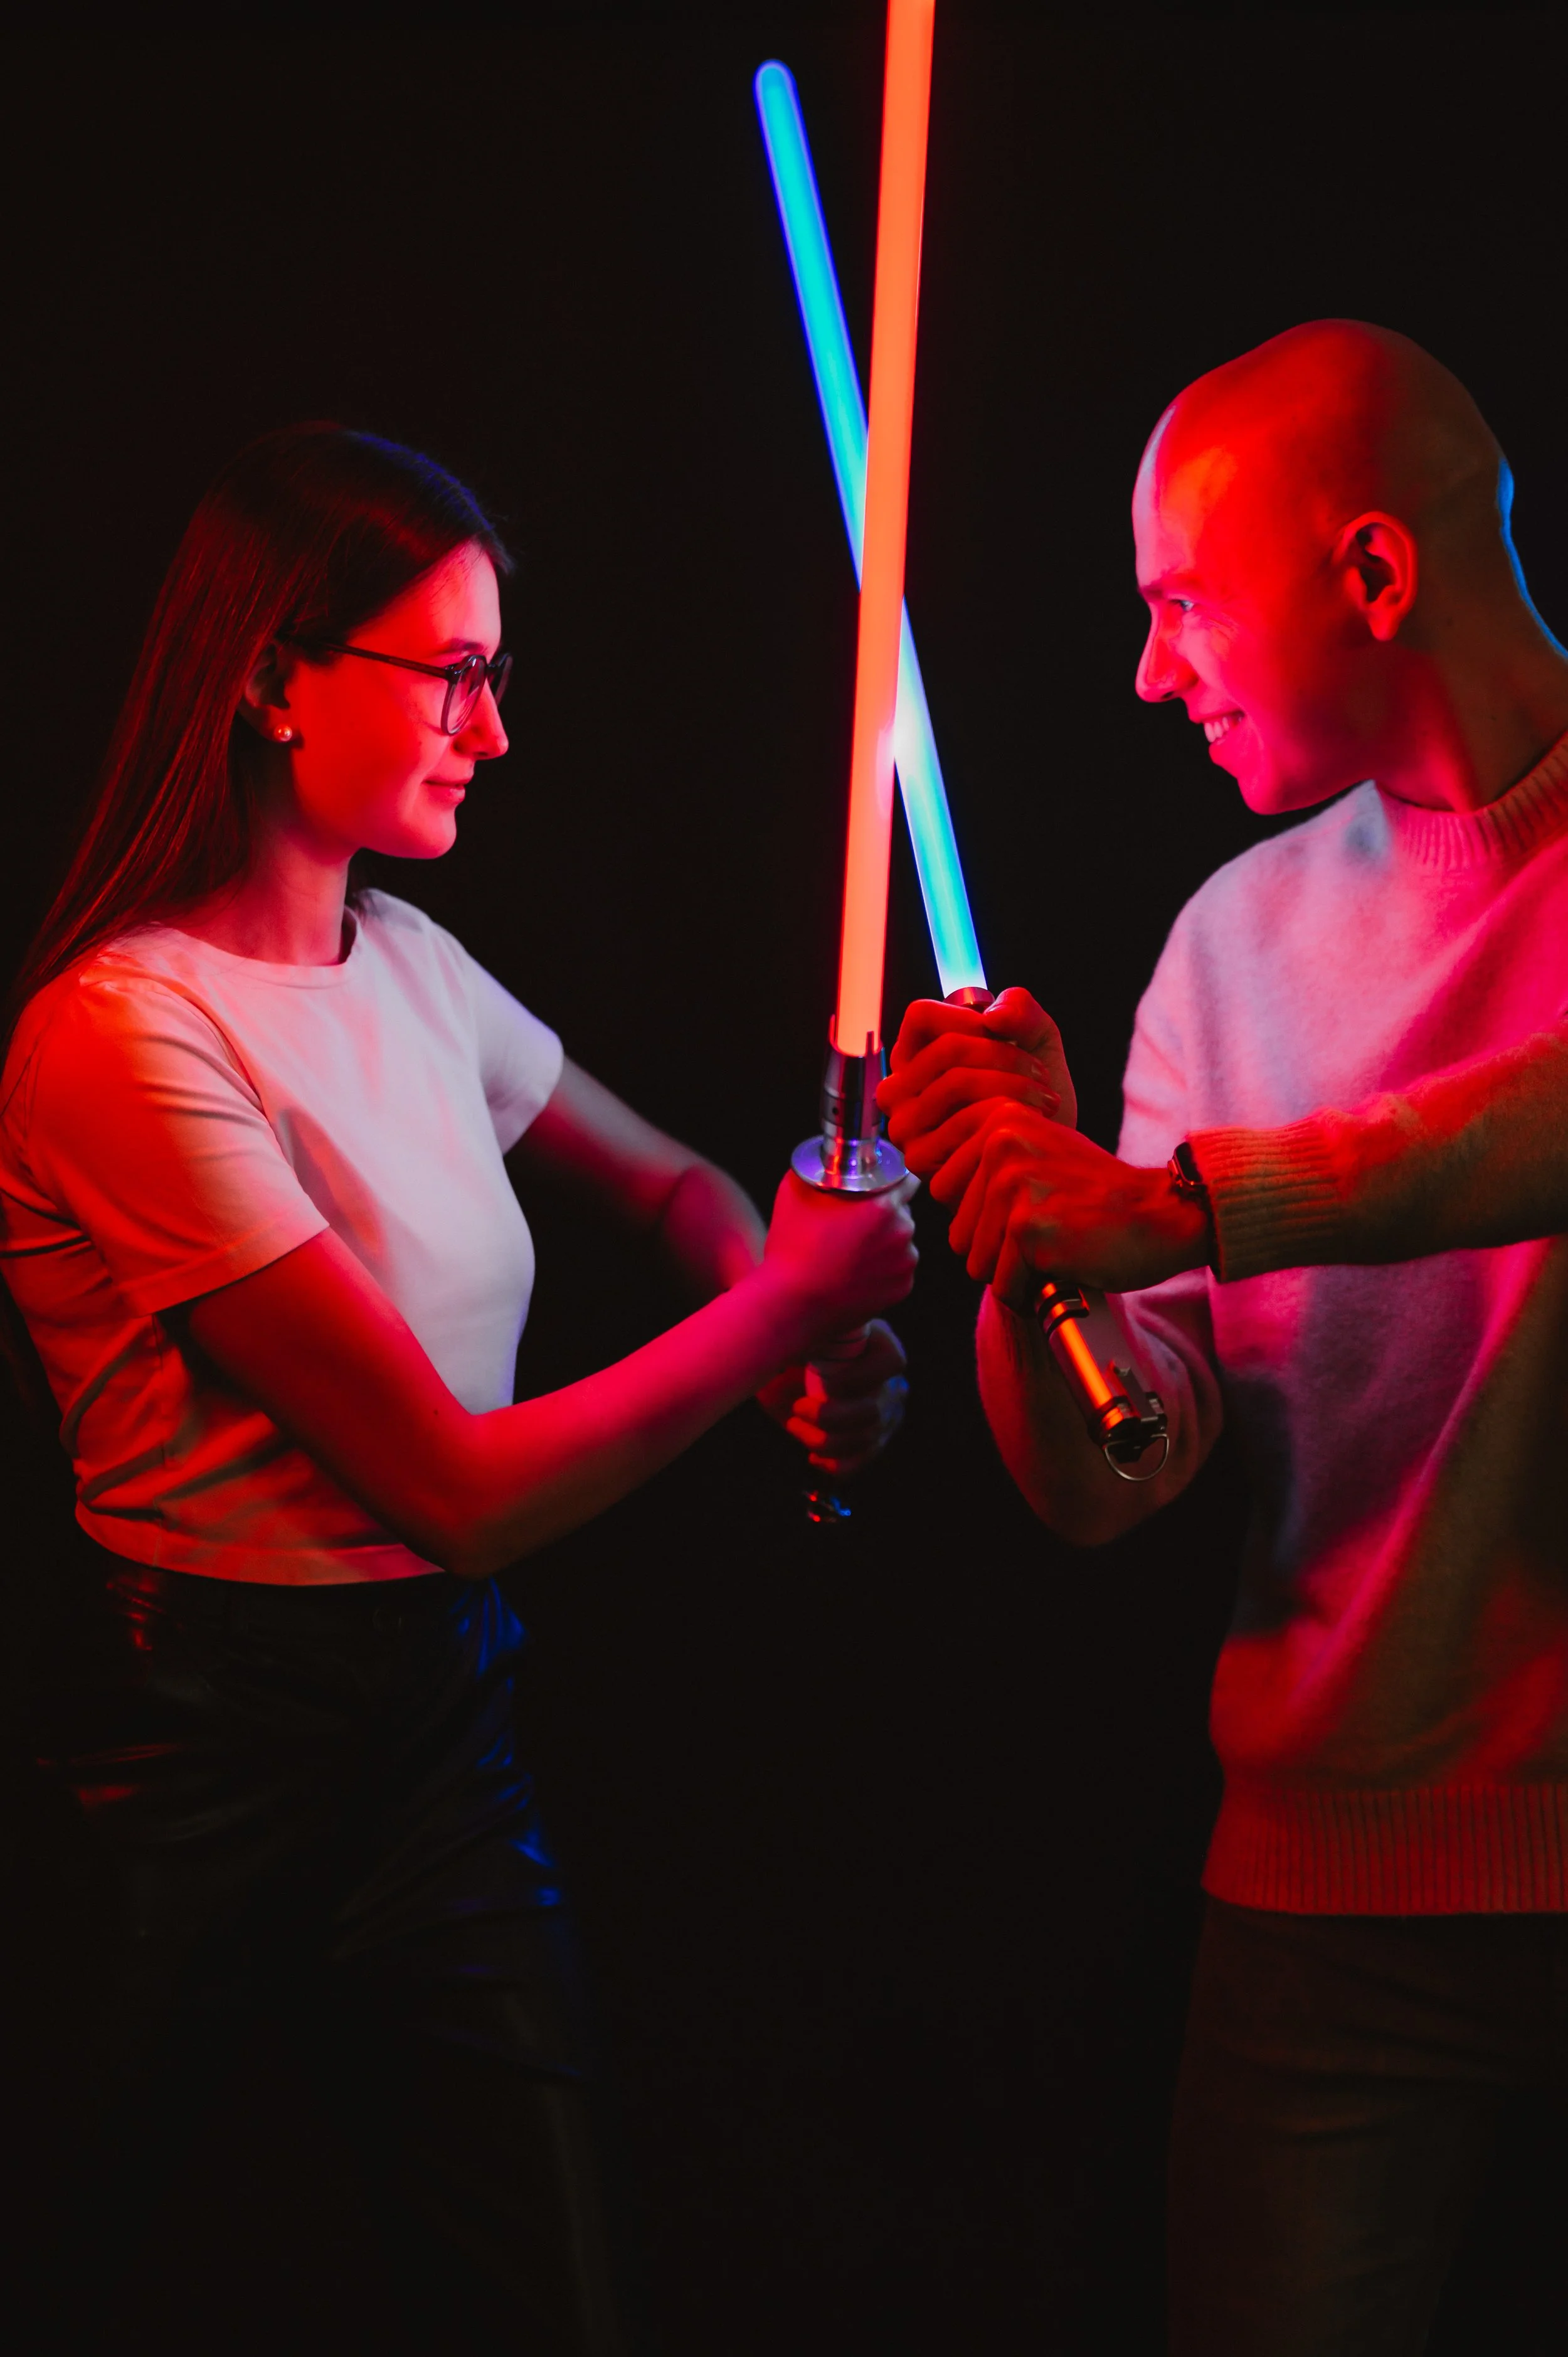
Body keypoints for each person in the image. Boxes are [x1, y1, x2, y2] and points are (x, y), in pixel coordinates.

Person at [0, 422, 918, 2354]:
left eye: (496, 674)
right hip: (189, 1760)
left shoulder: (411, 964)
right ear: (274, 674)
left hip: (436, 1735)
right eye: (452, 674)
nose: (491, 731)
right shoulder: (119, 1035)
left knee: (555, 2299)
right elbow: (456, 1487)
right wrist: (782, 1316)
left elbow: (671, 1190)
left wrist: (789, 1314)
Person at [877, 321, 1568, 2354]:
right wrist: (1030, 1237)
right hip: (1327, 1896)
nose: (1146, 671)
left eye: (1180, 601)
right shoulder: (1227, 938)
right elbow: (1120, 1476)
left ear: (1371, 572)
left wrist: (1180, 1199)